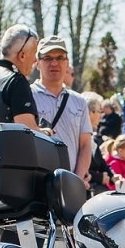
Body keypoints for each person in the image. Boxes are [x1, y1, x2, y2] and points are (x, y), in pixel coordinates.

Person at [32, 37, 93, 181]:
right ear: (37, 63)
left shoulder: (79, 101)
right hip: (36, 184)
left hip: (70, 184)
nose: (54, 63)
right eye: (47, 58)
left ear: (67, 63)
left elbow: (85, 145)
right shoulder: (27, 98)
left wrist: (76, 180)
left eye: (60, 58)